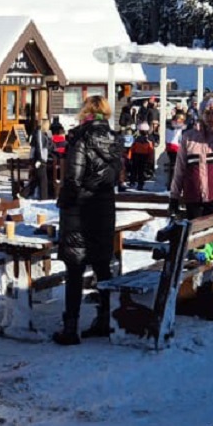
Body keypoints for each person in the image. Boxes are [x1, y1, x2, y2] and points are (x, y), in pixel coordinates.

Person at [52, 96, 123, 346]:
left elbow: (73, 177)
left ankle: (71, 327)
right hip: (104, 207)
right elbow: (113, 177)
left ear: (87, 112)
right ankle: (104, 319)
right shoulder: (115, 139)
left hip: (79, 211)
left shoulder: (80, 138)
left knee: (75, 268)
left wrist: (68, 200)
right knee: (102, 266)